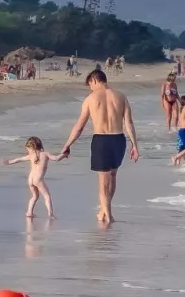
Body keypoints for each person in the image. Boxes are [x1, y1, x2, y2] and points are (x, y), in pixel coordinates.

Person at [56, 67, 138, 225]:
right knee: (112, 176)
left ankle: (108, 216)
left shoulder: (90, 99)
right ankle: (104, 211)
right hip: (119, 139)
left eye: (90, 85)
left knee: (102, 180)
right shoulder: (121, 96)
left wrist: (67, 144)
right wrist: (135, 145)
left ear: (94, 80)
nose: (90, 88)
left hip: (101, 140)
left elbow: (79, 126)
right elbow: (129, 123)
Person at [3, 135, 57, 219]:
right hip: (38, 180)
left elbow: (19, 159)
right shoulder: (45, 154)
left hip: (30, 179)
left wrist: (8, 162)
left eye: (28, 149)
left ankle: (29, 212)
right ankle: (50, 214)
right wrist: (64, 154)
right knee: (47, 196)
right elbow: (56, 158)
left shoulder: (31, 156)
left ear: (32, 148)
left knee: (35, 196)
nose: (28, 152)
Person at [170, 95, 185, 165]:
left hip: (182, 130)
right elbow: (184, 119)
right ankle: (175, 157)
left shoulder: (184, 108)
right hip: (184, 130)